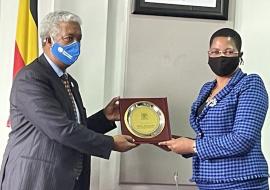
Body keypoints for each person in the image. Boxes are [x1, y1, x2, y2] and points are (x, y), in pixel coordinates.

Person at [0, 11, 137, 190]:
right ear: (48, 41)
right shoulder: (31, 78)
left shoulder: (69, 81)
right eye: (69, 38)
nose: (76, 45)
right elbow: (61, 130)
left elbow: (75, 128)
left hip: (67, 179)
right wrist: (110, 144)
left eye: (79, 39)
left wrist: (105, 117)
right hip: (35, 178)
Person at [159, 28, 269, 189]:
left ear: (240, 55)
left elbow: (243, 139)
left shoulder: (250, 84)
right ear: (208, 55)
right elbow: (208, 134)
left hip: (241, 182)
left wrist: (192, 146)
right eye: (215, 52)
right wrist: (179, 143)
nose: (221, 56)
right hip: (208, 180)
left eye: (229, 51)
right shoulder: (207, 88)